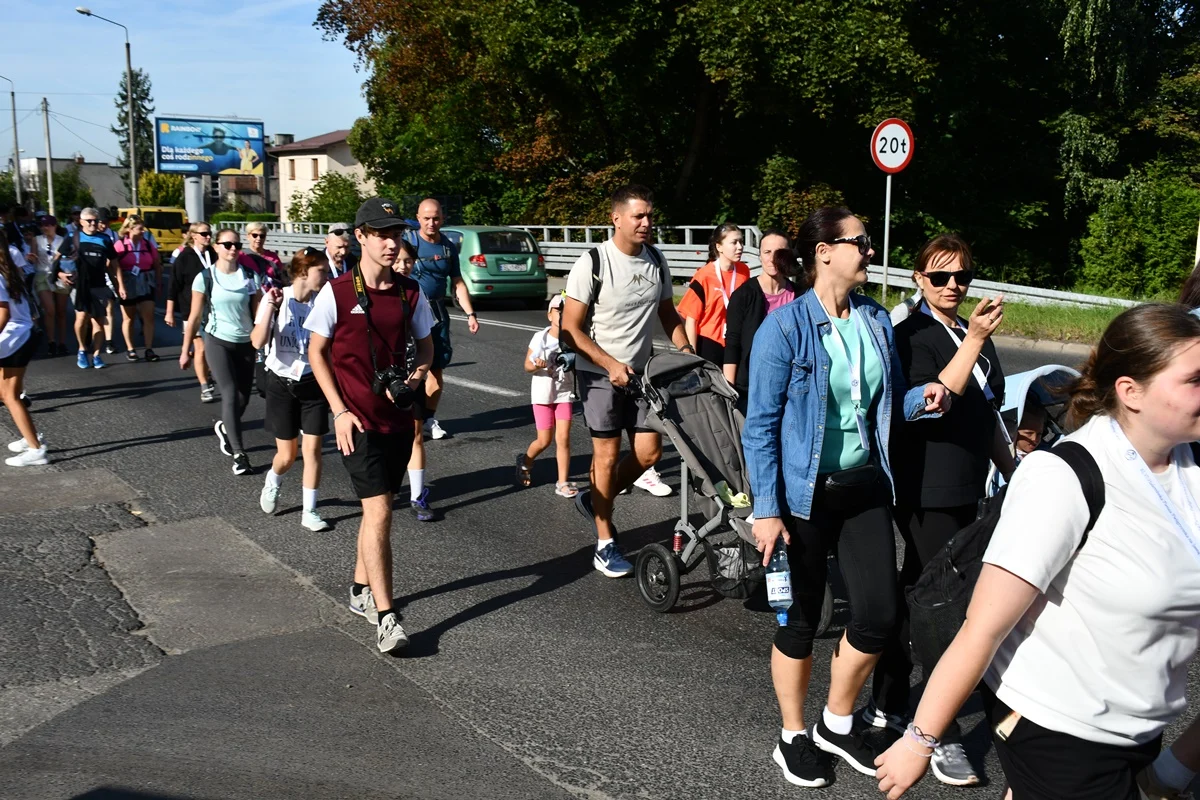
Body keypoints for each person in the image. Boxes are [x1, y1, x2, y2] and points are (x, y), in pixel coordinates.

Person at [875, 302, 1200, 800]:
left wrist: (1174, 767)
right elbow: (982, 627)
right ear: (1130, 391)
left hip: (1139, 727)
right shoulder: (1065, 477)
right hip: (1060, 731)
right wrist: (919, 741)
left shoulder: (1190, 468)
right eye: (1195, 380)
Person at [743, 206, 950, 788]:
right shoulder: (783, 329)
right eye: (860, 241)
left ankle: (836, 720)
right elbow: (759, 426)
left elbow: (888, 401)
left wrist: (921, 398)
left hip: (864, 487)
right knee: (802, 619)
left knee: (880, 614)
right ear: (824, 252)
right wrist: (766, 508)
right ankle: (792, 736)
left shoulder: (876, 320)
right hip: (803, 496)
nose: (870, 250)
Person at [865, 234, 1013, 788]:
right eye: (941, 277)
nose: (954, 286)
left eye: (962, 277)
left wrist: (1015, 469)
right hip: (925, 488)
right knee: (945, 605)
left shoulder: (976, 335)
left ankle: (888, 698)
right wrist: (973, 337)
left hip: (968, 486)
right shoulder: (911, 337)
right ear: (918, 281)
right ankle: (939, 731)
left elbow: (990, 409)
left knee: (918, 591)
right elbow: (936, 399)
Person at [305, 197, 436, 654]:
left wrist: (416, 378)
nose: (391, 242)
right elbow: (316, 355)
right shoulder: (337, 292)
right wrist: (339, 411)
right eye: (381, 233)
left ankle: (359, 589)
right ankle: (386, 617)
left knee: (377, 513)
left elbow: (426, 348)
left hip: (397, 420)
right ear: (359, 237)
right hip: (355, 423)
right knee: (379, 513)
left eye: (396, 233)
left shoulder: (410, 291)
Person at [560, 184, 692, 577]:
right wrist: (610, 364)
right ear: (616, 218)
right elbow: (570, 329)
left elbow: (668, 314)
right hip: (599, 372)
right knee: (605, 455)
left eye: (650, 216)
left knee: (650, 454)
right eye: (638, 216)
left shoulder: (656, 260)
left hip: (641, 372)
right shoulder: (593, 262)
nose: (647, 223)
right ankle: (605, 543)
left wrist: (685, 352)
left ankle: (596, 497)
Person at [252, 247, 332, 532]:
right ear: (303, 272)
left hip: (312, 383)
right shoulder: (277, 298)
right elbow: (257, 341)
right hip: (281, 383)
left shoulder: (322, 303)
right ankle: (273, 480)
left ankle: (310, 510)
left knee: (313, 450)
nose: (327, 275)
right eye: (322, 271)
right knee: (288, 455)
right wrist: (270, 308)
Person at [179, 228, 262, 475]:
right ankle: (239, 454)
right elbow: (194, 317)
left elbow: (258, 312)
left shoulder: (250, 276)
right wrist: (186, 350)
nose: (232, 249)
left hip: (246, 342)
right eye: (226, 244)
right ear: (216, 247)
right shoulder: (205, 277)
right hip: (217, 340)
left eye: (236, 244)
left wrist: (264, 339)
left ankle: (226, 427)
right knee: (229, 393)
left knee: (244, 397)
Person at [403, 198, 480, 441]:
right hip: (408, 312)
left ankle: (428, 418)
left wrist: (470, 314)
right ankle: (405, 416)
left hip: (437, 314)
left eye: (436, 218)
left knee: (436, 369)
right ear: (418, 218)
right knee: (406, 366)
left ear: (442, 219)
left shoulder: (448, 247)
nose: (431, 223)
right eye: (426, 218)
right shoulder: (408, 243)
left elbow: (457, 283)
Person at [723, 230, 798, 412]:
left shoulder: (801, 295)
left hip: (793, 389)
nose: (773, 258)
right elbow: (732, 344)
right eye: (767, 252)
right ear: (760, 256)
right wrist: (728, 391)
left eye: (780, 252)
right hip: (751, 388)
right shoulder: (743, 295)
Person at [392, 238, 436, 522]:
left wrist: (418, 377)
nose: (402, 266)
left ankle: (417, 496)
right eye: (398, 261)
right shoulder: (376, 290)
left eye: (408, 261)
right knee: (386, 436)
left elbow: (426, 341)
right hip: (385, 376)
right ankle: (386, 483)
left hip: (412, 375)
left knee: (416, 435)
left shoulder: (416, 291)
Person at [517, 294, 578, 498]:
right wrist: (536, 365)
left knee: (564, 438)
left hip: (564, 392)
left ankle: (562, 482)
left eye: (565, 311)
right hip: (543, 394)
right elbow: (527, 365)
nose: (561, 315)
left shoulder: (573, 337)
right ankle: (525, 461)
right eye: (558, 311)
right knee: (544, 440)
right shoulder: (540, 338)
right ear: (549, 314)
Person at [0, 231, 47, 467]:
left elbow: (3, 312)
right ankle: (30, 437)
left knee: (8, 395)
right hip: (23, 335)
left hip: (13, 339)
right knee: (11, 394)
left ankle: (36, 449)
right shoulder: (8, 269)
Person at [679, 222, 753, 364]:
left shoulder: (744, 271)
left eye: (741, 242)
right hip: (709, 344)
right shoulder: (704, 275)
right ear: (719, 247)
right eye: (734, 242)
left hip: (735, 342)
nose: (740, 247)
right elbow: (691, 320)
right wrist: (692, 358)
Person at [57, 207, 118, 369]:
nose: (93, 223)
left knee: (99, 321)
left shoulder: (104, 239)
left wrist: (120, 284)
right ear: (81, 222)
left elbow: (114, 263)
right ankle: (82, 349)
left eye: (95, 221)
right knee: (82, 318)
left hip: (99, 284)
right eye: (89, 221)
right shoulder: (73, 237)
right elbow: (57, 257)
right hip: (80, 284)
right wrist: (60, 274)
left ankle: (97, 355)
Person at [168, 223, 218, 402]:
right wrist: (169, 311)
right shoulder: (184, 258)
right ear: (193, 236)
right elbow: (174, 285)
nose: (208, 237)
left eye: (209, 233)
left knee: (214, 347)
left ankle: (209, 373)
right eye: (204, 234)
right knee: (201, 348)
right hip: (192, 309)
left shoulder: (213, 254)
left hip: (214, 308)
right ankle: (204, 386)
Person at [113, 215, 161, 362]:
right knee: (129, 317)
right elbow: (112, 265)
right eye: (140, 229)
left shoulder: (147, 245)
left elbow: (157, 264)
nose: (142, 232)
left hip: (146, 281)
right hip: (128, 282)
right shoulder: (120, 245)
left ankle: (149, 349)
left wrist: (159, 284)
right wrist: (119, 285)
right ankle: (130, 349)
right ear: (130, 229)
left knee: (149, 316)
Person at [33, 216, 71, 357]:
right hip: (42, 275)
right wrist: (31, 258)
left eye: (47, 225)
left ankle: (62, 343)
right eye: (42, 225)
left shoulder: (62, 240)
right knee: (50, 310)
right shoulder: (36, 240)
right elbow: (33, 257)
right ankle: (51, 342)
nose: (44, 228)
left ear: (54, 225)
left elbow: (67, 259)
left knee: (61, 312)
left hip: (59, 276)